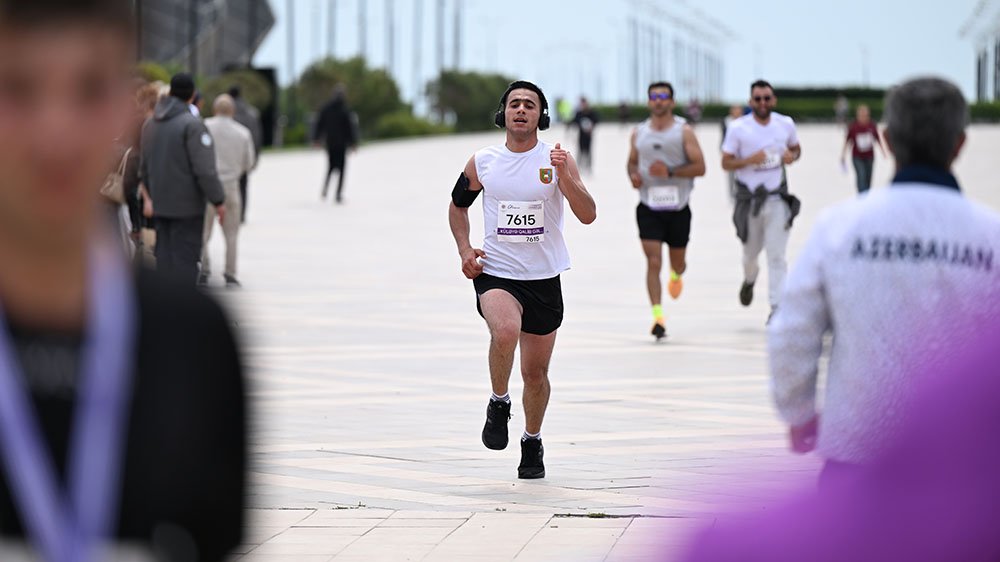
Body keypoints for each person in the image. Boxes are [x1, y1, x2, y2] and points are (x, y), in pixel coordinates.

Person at [0, 1, 246, 560]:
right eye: (19, 90)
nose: (55, 133)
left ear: (125, 112)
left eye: (89, 90)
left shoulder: (195, 339)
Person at [768, 76, 1000, 485]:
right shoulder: (991, 237)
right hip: (963, 472)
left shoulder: (839, 228)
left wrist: (798, 412)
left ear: (888, 141)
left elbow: (792, 331)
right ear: (960, 144)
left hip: (856, 453)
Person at [447, 80, 596, 479]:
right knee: (506, 330)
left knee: (535, 373)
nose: (521, 110)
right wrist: (464, 250)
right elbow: (457, 207)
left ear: (540, 116)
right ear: (504, 113)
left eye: (530, 104)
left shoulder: (558, 158)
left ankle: (532, 440)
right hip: (497, 273)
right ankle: (499, 402)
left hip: (544, 278)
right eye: (514, 103)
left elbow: (588, 214)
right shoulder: (483, 161)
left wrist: (565, 177)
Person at [626, 82, 706, 340]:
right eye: (654, 96)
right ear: (649, 101)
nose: (658, 100)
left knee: (677, 263)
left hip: (678, 208)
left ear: (671, 101)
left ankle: (676, 274)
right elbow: (632, 163)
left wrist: (670, 172)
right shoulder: (639, 132)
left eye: (663, 96)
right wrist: (634, 176)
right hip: (649, 206)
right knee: (653, 261)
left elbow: (700, 167)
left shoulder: (684, 131)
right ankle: (658, 316)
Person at [721, 79, 802, 322]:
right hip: (750, 202)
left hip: (777, 198)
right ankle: (749, 279)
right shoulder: (738, 128)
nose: (763, 103)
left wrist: (791, 156)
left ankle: (777, 309)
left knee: (777, 256)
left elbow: (796, 149)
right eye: (758, 99)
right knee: (750, 255)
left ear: (773, 100)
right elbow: (726, 162)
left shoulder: (785, 124)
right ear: (751, 102)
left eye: (767, 98)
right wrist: (749, 160)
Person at [140, 73, 225, 284]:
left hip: (160, 206)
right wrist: (218, 200)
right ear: (192, 95)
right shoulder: (192, 125)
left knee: (164, 259)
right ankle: (182, 303)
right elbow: (205, 170)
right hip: (187, 209)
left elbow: (144, 167)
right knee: (185, 263)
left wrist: (152, 197)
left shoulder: (150, 125)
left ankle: (166, 302)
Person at [201, 94, 256, 288]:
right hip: (231, 186)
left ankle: (204, 269)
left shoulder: (204, 127)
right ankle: (230, 273)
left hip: (207, 186)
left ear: (214, 109)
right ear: (232, 111)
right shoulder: (243, 133)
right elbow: (249, 163)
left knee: (203, 233)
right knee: (232, 234)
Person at [313, 85, 358, 204]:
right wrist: (353, 143)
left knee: (331, 167)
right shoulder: (344, 110)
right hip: (340, 145)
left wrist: (317, 139)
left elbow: (319, 125)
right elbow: (350, 129)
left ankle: (326, 190)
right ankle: (337, 194)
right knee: (341, 169)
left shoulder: (327, 108)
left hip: (331, 143)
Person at [229, 85, 263, 223]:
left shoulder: (228, 113)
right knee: (243, 185)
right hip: (245, 155)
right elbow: (257, 137)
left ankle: (233, 214)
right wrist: (255, 157)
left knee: (231, 186)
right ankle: (242, 214)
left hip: (230, 156)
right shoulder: (251, 112)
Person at [841, 104, 886, 193]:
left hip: (869, 156)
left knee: (868, 178)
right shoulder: (853, 127)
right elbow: (847, 141)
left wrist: (883, 151)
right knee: (861, 176)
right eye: (861, 115)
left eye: (865, 114)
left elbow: (877, 138)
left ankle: (866, 195)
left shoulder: (872, 125)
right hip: (857, 157)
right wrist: (843, 155)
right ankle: (862, 195)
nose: (863, 117)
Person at [721, 105, 745, 203]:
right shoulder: (726, 121)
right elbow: (723, 137)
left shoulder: (745, 121)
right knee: (731, 174)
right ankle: (731, 194)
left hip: (742, 153)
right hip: (730, 152)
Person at [570, 97, 599, 174]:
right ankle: (579, 168)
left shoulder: (591, 113)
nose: (583, 105)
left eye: (584, 103)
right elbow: (574, 122)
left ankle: (589, 168)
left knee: (588, 152)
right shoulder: (579, 113)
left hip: (588, 136)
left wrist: (591, 127)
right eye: (581, 104)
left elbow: (596, 121)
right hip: (581, 136)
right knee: (580, 152)